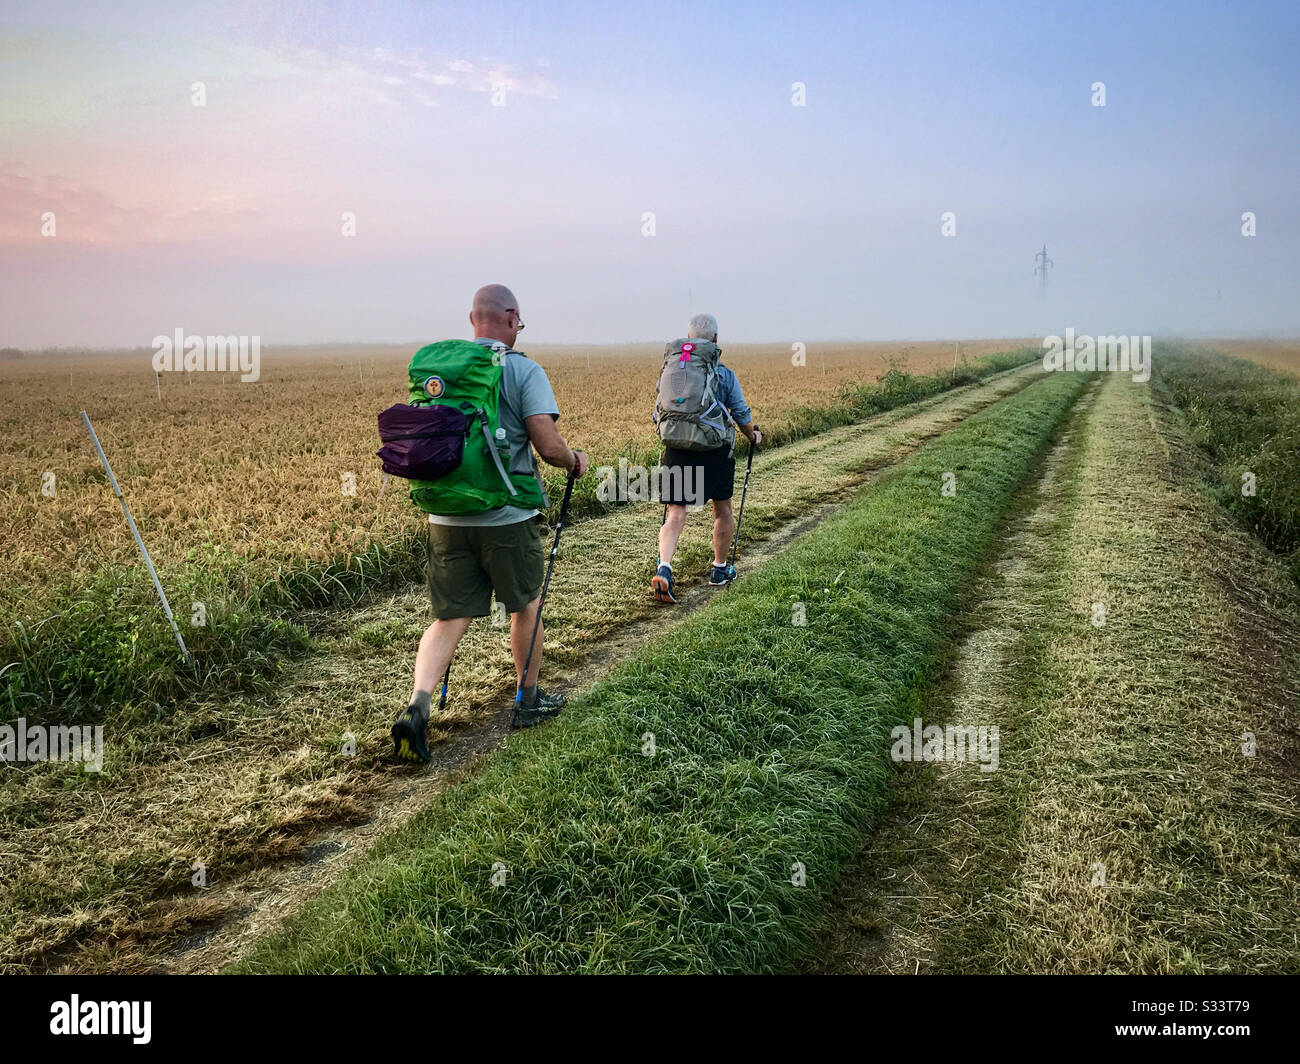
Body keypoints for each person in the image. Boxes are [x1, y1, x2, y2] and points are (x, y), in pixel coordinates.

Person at [392, 284, 590, 763]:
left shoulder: (445, 374)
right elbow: (546, 443)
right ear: (511, 318)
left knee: (449, 617)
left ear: (471, 319)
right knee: (526, 605)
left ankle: (417, 707)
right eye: (519, 322)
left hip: (446, 514)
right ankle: (528, 700)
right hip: (506, 515)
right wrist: (575, 461)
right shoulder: (523, 370)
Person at [650, 313, 762, 603]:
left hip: (677, 449)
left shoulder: (672, 372)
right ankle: (719, 570)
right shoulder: (724, 374)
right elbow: (740, 414)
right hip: (715, 451)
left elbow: (656, 414)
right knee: (722, 510)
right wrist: (753, 436)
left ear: (688, 340)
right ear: (714, 340)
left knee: (676, 513)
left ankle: (664, 568)